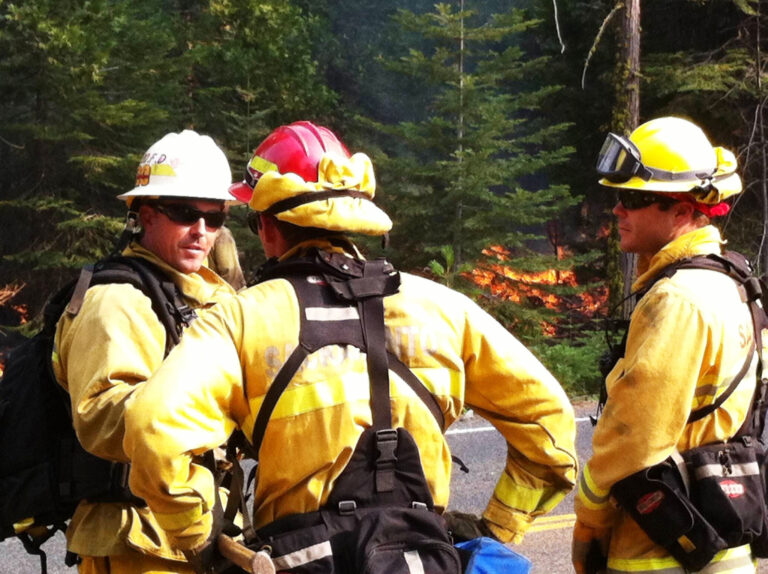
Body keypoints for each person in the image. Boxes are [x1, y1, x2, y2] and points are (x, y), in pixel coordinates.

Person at [123, 121, 577, 570]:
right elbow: (550, 427)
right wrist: (497, 527)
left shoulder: (239, 317)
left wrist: (196, 537)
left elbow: (152, 429)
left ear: (266, 226)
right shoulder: (444, 308)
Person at [573, 117, 755, 574]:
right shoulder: (733, 283)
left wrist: (589, 520)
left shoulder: (676, 298)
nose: (617, 210)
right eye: (618, 196)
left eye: (633, 198)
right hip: (723, 540)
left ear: (681, 212)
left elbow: (634, 438)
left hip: (658, 553)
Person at [52, 130, 236, 574]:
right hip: (135, 539)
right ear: (146, 216)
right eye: (185, 213)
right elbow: (102, 418)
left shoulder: (201, 293)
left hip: (195, 524)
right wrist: (222, 408)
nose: (201, 231)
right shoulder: (116, 301)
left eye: (214, 219)